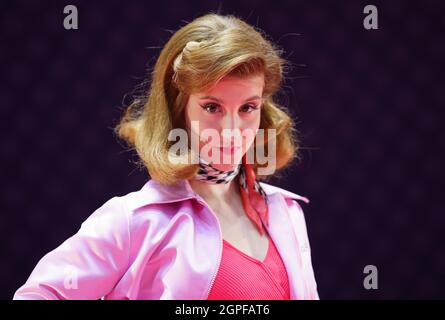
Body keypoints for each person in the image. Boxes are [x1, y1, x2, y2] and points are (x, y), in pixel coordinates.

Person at [13, 13, 319, 300]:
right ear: (178, 108)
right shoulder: (135, 221)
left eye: (247, 108)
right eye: (212, 107)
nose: (231, 130)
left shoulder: (286, 211)